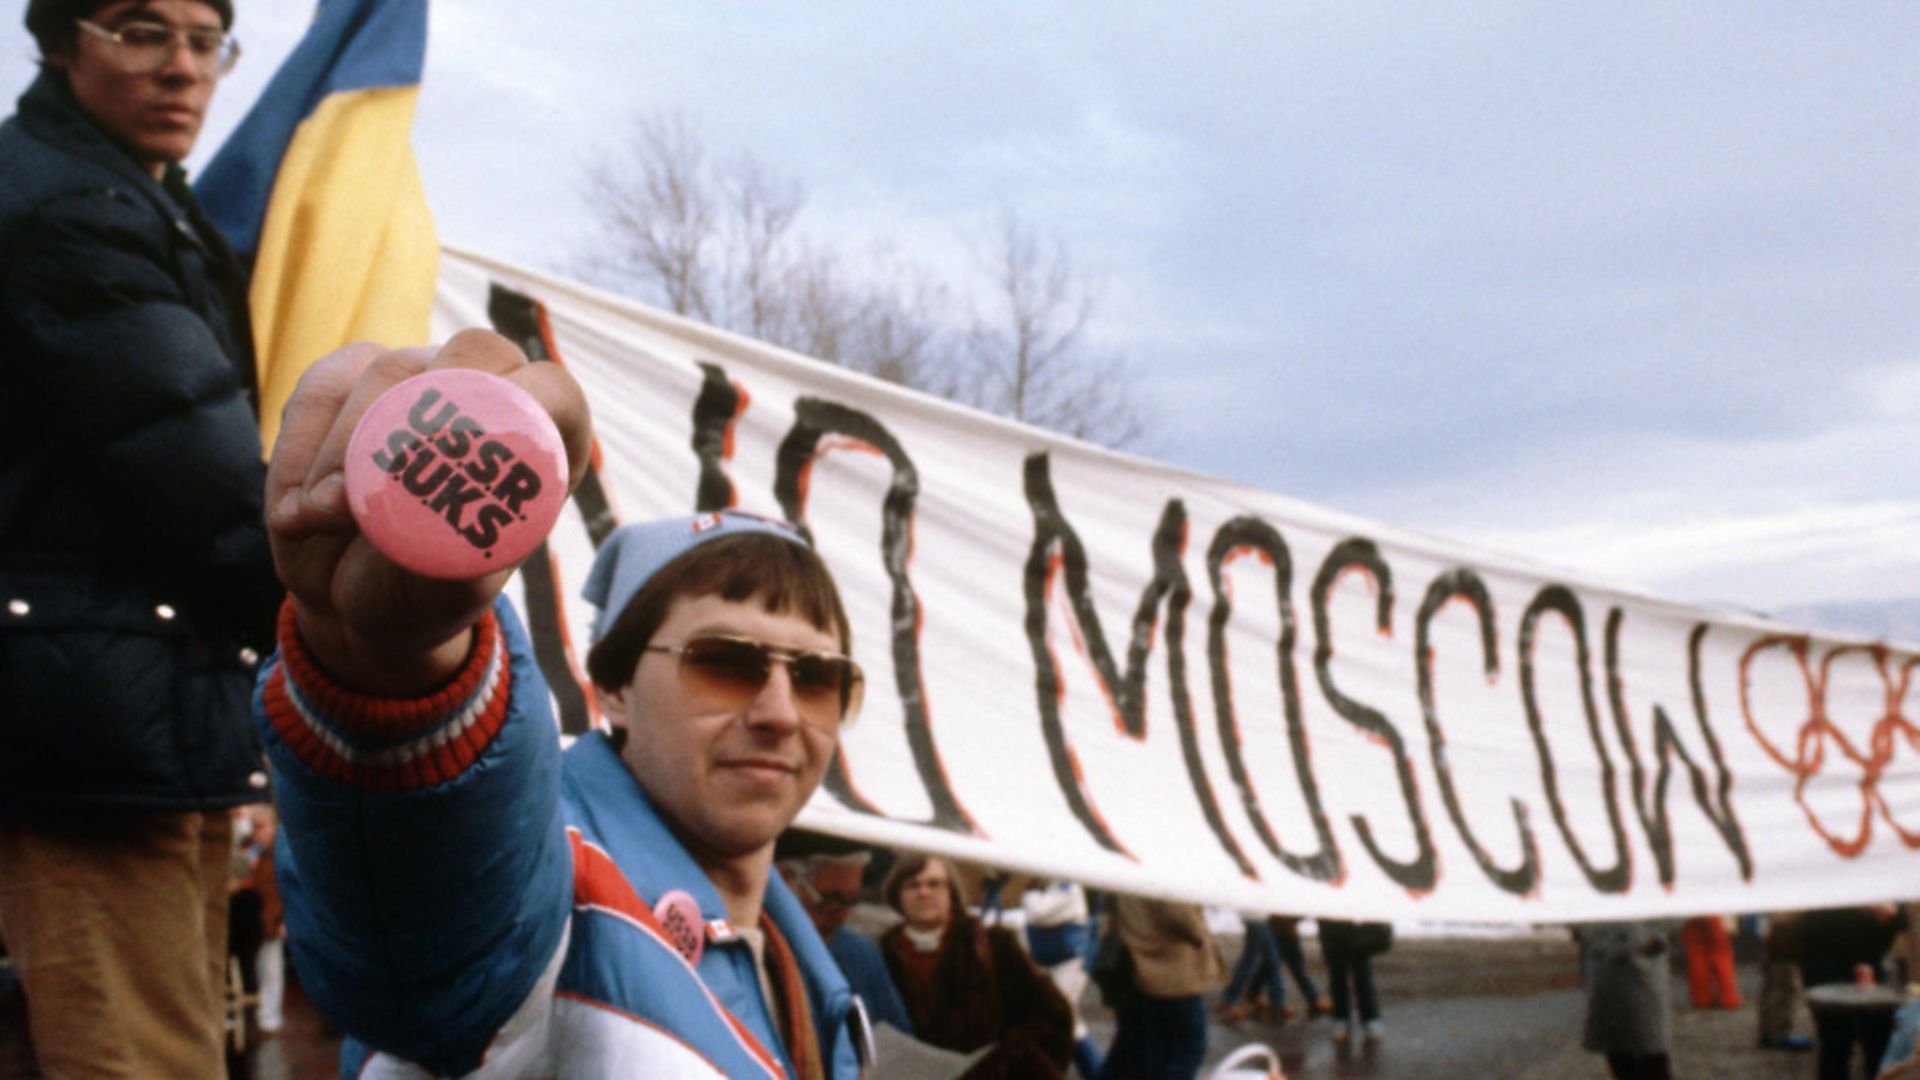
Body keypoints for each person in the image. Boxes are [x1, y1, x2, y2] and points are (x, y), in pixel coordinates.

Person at [255, 331, 865, 1074]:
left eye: (818, 677)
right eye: (725, 664)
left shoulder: (820, 975)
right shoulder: (551, 892)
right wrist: (393, 665)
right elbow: (437, 945)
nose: (780, 712)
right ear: (611, 688)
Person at [0, 0, 278, 1073]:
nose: (181, 69)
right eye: (139, 30)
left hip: (131, 699)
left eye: (205, 41)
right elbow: (199, 479)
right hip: (92, 719)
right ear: (62, 37)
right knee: (142, 1059)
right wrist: (353, 632)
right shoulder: (71, 207)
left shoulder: (128, 194)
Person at [879, 853, 1073, 1077]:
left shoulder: (994, 946)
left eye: (934, 884)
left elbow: (1053, 1016)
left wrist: (1006, 1062)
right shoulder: (881, 957)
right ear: (897, 895)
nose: (924, 892)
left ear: (951, 892)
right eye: (913, 885)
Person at [779, 849, 916, 1035]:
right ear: (787, 880)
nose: (839, 912)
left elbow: (899, 1034)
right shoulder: (763, 950)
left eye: (851, 899)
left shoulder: (862, 954)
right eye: (829, 898)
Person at [1097, 895, 1226, 1080]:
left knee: (1138, 1046)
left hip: (1135, 961)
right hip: (1171, 968)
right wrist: (1200, 934)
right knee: (1190, 1044)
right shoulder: (1166, 867)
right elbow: (1178, 914)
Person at [1800, 903, 1904, 1080]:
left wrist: (1892, 916)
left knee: (1877, 1039)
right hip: (1828, 969)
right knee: (1837, 1041)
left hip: (1868, 966)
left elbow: (1897, 922)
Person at [1575, 921, 1675, 1080]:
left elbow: (1675, 910)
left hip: (1640, 966)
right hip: (1606, 966)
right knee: (1616, 1046)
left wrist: (1654, 937)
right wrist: (1584, 932)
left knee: (1650, 1048)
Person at [1318, 918, 1389, 1042]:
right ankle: (1341, 1019)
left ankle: (1369, 1019)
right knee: (1337, 978)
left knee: (1362, 977)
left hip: (1356, 929)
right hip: (1331, 929)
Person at [1217, 914, 1288, 1025]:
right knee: (1252, 958)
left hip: (1259, 916)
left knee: (1271, 959)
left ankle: (1276, 1003)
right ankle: (1229, 1000)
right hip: (1256, 915)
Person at [1757, 911, 1813, 1051]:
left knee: (1772, 991)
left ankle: (1769, 1033)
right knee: (1782, 993)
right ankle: (1779, 1035)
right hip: (1784, 951)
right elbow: (1786, 920)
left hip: (1776, 949)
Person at [1267, 914, 1332, 1018]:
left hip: (1282, 923)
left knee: (1276, 962)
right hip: (1284, 924)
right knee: (1288, 962)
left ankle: (1256, 994)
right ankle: (1277, 1004)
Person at [1680, 914, 1743, 1009]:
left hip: (1689, 910)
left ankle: (1701, 998)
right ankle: (1728, 997)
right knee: (1721, 955)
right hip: (1715, 911)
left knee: (1695, 955)